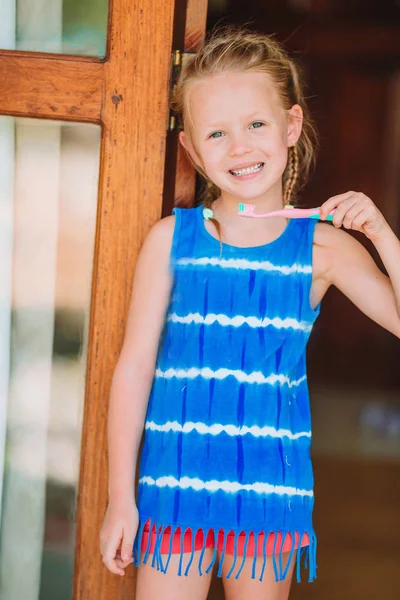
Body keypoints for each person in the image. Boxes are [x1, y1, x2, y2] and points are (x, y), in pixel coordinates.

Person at [99, 26, 400, 600]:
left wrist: (383, 237)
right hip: (173, 485)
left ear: (290, 127)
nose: (239, 147)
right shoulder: (171, 241)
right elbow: (134, 369)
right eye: (217, 133)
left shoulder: (323, 249)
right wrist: (121, 497)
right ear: (190, 148)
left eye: (256, 125)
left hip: (270, 491)